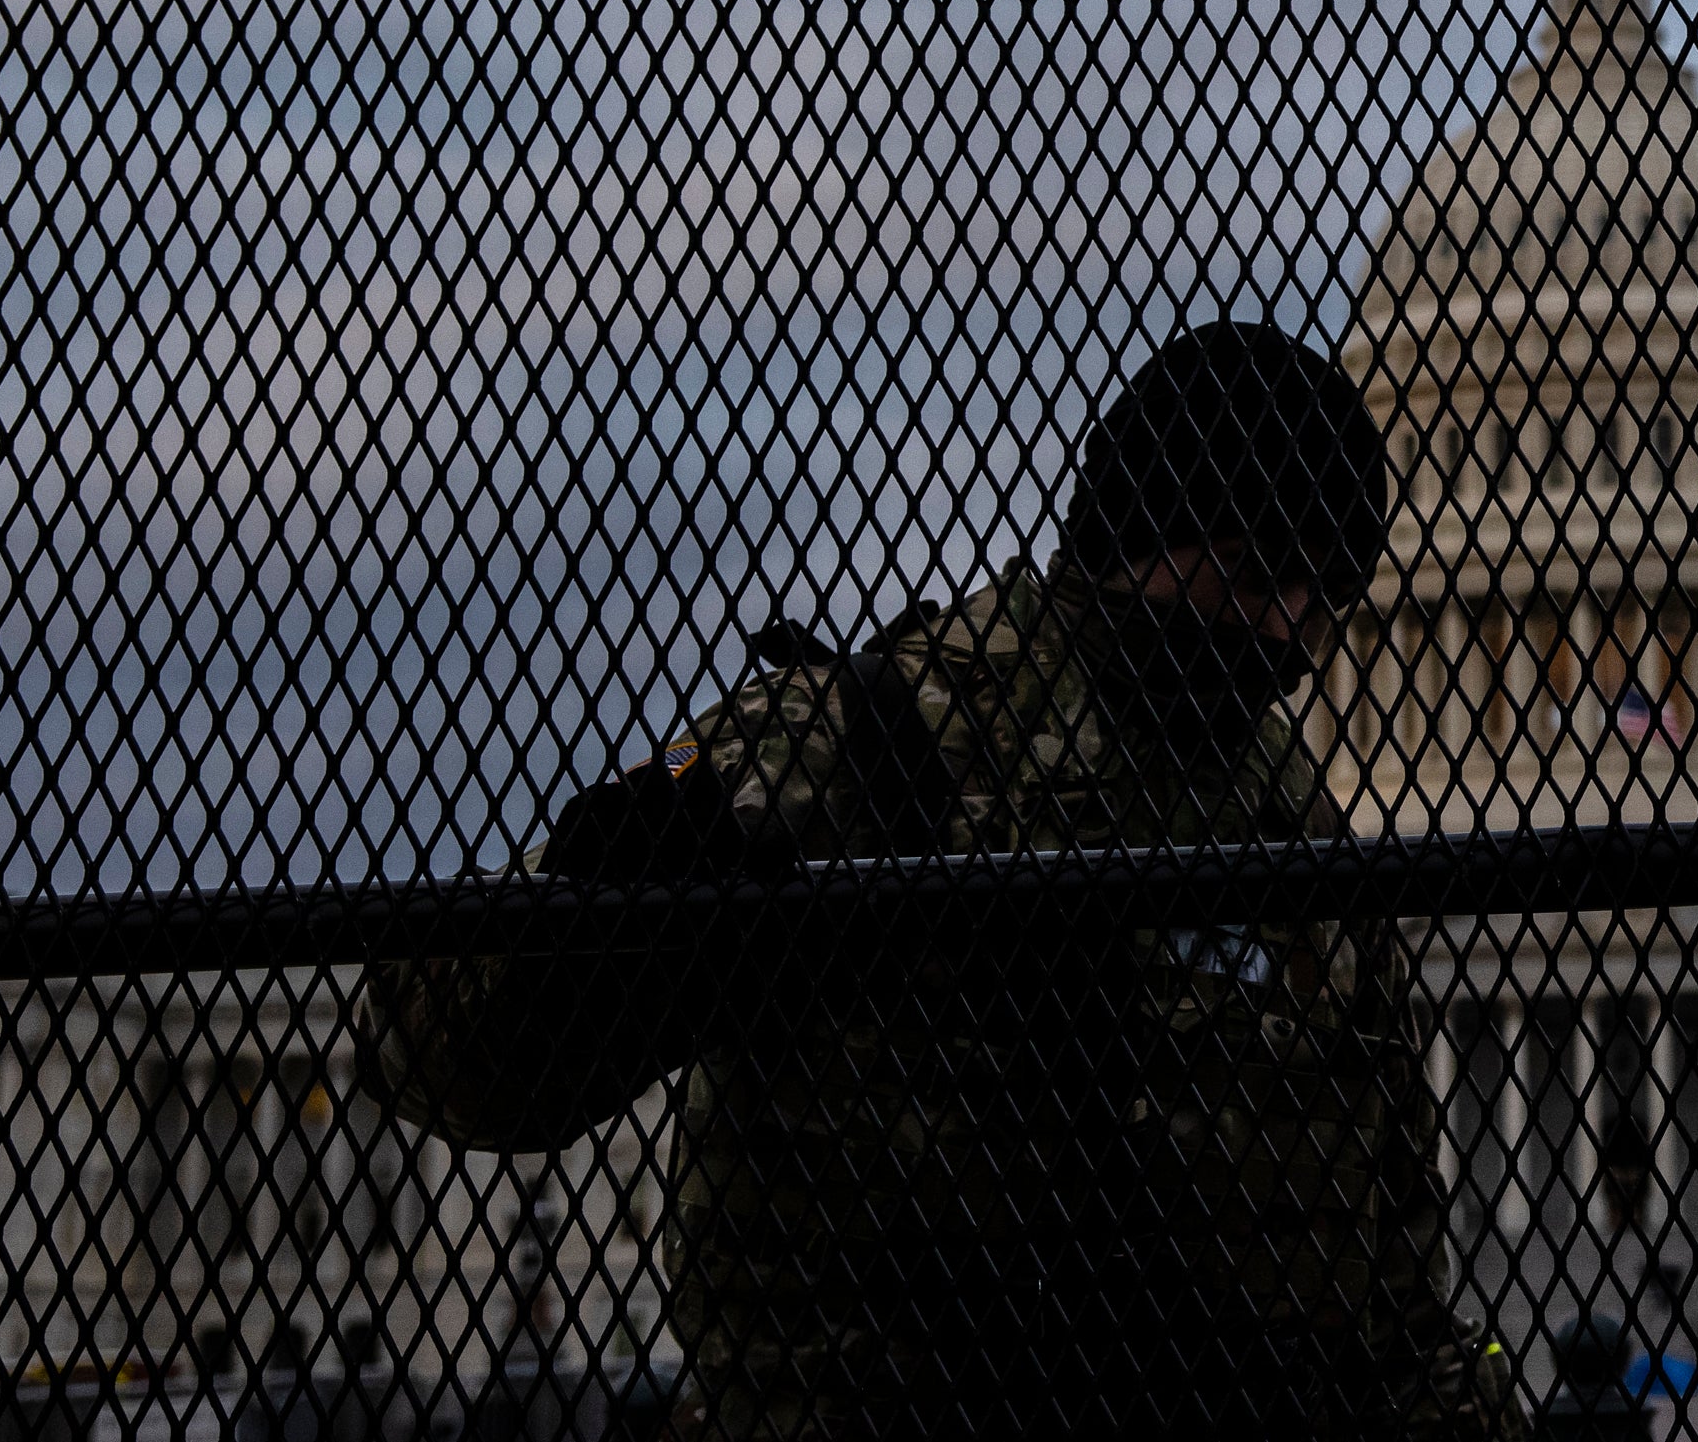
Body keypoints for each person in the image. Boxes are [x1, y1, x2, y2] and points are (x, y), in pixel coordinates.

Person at [356, 323, 1520, 1442]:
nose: (1289, 637)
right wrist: (585, 936)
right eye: (1256, 578)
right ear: (1138, 531)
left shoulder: (1293, 819)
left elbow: (1394, 1281)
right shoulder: (862, 741)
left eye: (1325, 601)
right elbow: (425, 1052)